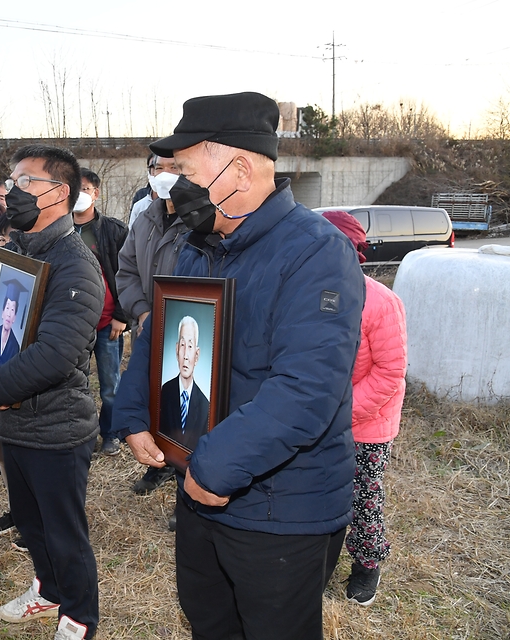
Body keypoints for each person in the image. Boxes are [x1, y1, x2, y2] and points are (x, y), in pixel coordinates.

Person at [112, 92, 365, 640]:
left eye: (184, 169)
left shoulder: (317, 252)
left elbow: (306, 389)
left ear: (240, 169)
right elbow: (162, 327)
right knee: (209, 618)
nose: (173, 185)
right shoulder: (199, 246)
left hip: (280, 508)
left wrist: (212, 466)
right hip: (202, 487)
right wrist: (133, 413)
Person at [0, 144, 104, 640]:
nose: (11, 192)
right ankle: (48, 590)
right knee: (32, 526)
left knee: (64, 534)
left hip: (55, 426)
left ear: (58, 193)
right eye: (11, 181)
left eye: (24, 182)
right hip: (12, 422)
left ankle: (78, 617)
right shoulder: (16, 249)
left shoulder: (77, 265)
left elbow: (57, 353)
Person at [321, 210, 407, 607]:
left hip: (367, 425)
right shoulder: (315, 294)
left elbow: (391, 372)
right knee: (319, 495)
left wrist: (343, 412)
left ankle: (367, 565)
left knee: (364, 498)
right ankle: (318, 564)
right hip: (321, 419)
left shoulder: (382, 302)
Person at [115, 152, 185, 495]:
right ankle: (159, 464)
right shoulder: (144, 220)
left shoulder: (201, 222)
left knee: (187, 406)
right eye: (159, 168)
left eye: (175, 168)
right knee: (152, 399)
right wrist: (142, 312)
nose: (166, 175)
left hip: (187, 332)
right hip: (148, 330)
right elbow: (126, 271)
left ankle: (186, 480)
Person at [73, 168, 129, 456]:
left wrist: (122, 314)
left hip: (109, 323)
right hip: (73, 324)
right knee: (75, 385)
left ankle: (110, 434)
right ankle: (82, 434)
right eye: (74, 187)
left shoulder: (113, 230)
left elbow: (127, 274)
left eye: (84, 188)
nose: (79, 194)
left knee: (110, 386)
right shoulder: (59, 230)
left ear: (95, 193)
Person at [159, 316, 209, 451]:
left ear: (197, 355)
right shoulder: (165, 391)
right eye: (182, 345)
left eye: (190, 346)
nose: (186, 355)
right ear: (176, 350)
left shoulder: (205, 405)